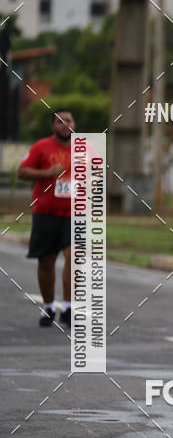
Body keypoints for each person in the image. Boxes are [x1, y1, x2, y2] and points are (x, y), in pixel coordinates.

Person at [17, 109, 75, 326]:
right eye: (60, 121)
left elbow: (96, 175)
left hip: (74, 214)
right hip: (46, 213)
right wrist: (47, 173)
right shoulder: (41, 147)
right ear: (53, 126)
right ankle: (48, 307)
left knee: (74, 256)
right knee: (46, 261)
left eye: (68, 121)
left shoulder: (84, 149)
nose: (65, 125)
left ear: (74, 125)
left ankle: (68, 308)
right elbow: (22, 172)